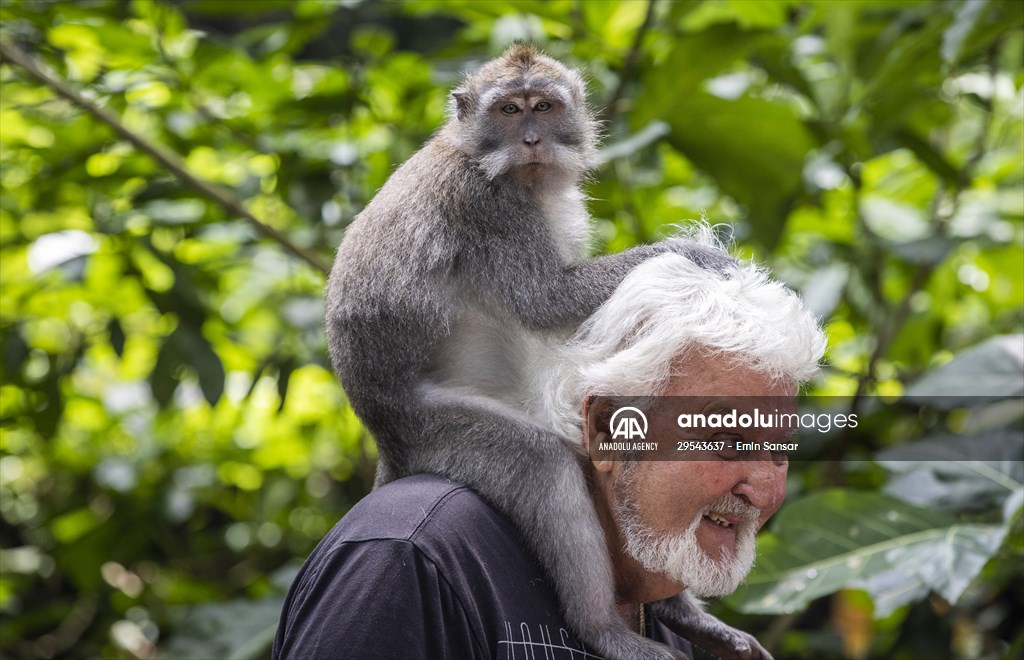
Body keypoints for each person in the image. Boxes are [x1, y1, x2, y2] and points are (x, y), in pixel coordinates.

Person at [273, 231, 827, 659]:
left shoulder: (652, 594)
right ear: (611, 428)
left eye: (779, 448)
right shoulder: (412, 558)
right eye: (726, 440)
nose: (763, 488)